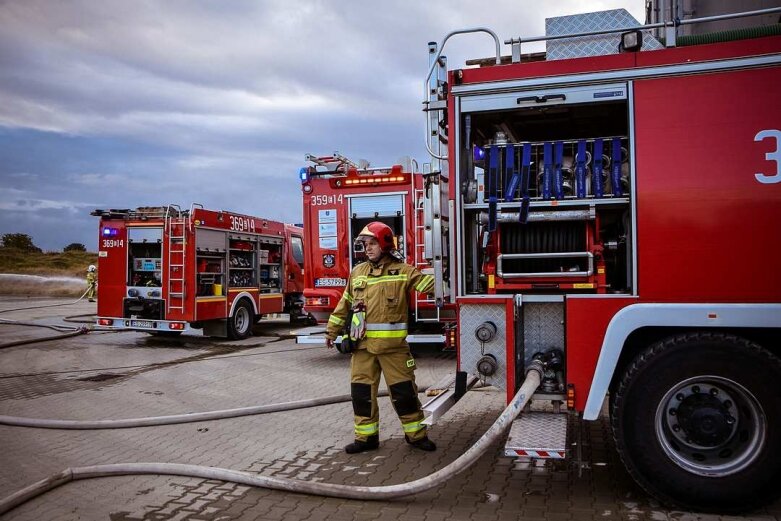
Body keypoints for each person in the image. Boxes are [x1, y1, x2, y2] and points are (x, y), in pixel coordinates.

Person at [325, 222, 437, 454]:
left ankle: (416, 436)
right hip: (362, 349)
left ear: (385, 243)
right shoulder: (357, 273)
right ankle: (366, 439)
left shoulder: (403, 271)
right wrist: (331, 331)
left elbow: (432, 286)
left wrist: (447, 274)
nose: (368, 248)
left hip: (393, 350)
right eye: (365, 244)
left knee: (404, 394)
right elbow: (344, 304)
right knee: (362, 395)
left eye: (373, 243)